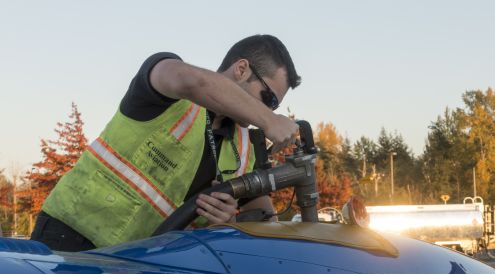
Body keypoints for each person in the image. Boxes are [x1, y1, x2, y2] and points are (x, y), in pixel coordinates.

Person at [31, 35, 301, 252]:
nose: (270, 109)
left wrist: (227, 222)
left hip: (138, 265)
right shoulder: (170, 88)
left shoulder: (243, 147)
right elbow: (189, 80)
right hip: (69, 238)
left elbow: (262, 225)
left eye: (274, 105)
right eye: (269, 99)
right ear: (241, 69)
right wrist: (269, 119)